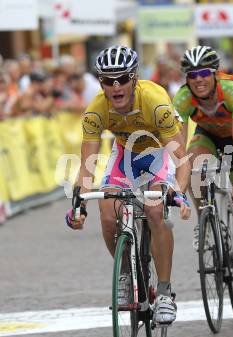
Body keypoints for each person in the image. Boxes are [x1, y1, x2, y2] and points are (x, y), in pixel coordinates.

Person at [64, 45, 191, 326]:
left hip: (159, 154)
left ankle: (166, 293)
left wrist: (178, 191)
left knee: (155, 211)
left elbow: (181, 158)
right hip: (125, 156)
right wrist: (78, 202)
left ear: (134, 79)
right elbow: (87, 164)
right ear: (101, 83)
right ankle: (126, 271)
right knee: (107, 213)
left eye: (122, 78)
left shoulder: (155, 100)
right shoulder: (96, 110)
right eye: (108, 81)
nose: (116, 86)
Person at [173, 45, 233, 307]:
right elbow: (178, 143)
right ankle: (204, 217)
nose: (198, 79)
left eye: (203, 73)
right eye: (192, 75)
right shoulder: (182, 98)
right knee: (191, 163)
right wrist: (178, 177)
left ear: (214, 73)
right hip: (208, 136)